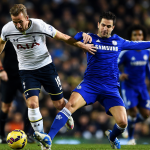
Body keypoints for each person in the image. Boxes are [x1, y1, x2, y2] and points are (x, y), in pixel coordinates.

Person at [33, 11, 150, 150]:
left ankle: (112, 137)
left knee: (123, 122)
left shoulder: (119, 41)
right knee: (69, 106)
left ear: (113, 27)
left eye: (108, 26)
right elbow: (74, 39)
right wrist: (81, 34)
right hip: (90, 85)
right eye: (103, 25)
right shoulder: (90, 38)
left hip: (111, 89)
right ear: (98, 24)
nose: (105, 28)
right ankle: (48, 139)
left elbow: (139, 45)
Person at [0, 4, 96, 149]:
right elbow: (1, 42)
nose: (18, 25)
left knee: (59, 105)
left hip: (46, 68)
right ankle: (42, 140)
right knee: (32, 104)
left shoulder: (39, 25)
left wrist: (83, 46)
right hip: (27, 71)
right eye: (15, 22)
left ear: (27, 17)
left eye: (20, 21)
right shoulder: (7, 29)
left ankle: (66, 113)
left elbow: (63, 37)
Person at [118, 24, 150, 145]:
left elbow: (147, 67)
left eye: (140, 34)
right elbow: (114, 65)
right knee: (133, 112)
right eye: (135, 35)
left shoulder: (147, 51)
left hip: (142, 87)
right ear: (131, 37)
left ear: (143, 36)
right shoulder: (126, 52)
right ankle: (131, 138)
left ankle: (128, 123)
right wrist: (120, 74)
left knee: (146, 115)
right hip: (129, 86)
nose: (138, 37)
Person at [0, 41, 35, 144]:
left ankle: (27, 134)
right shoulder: (7, 38)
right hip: (8, 77)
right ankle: (1, 135)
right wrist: (1, 70)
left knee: (31, 103)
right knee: (6, 107)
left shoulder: (29, 37)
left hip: (24, 76)